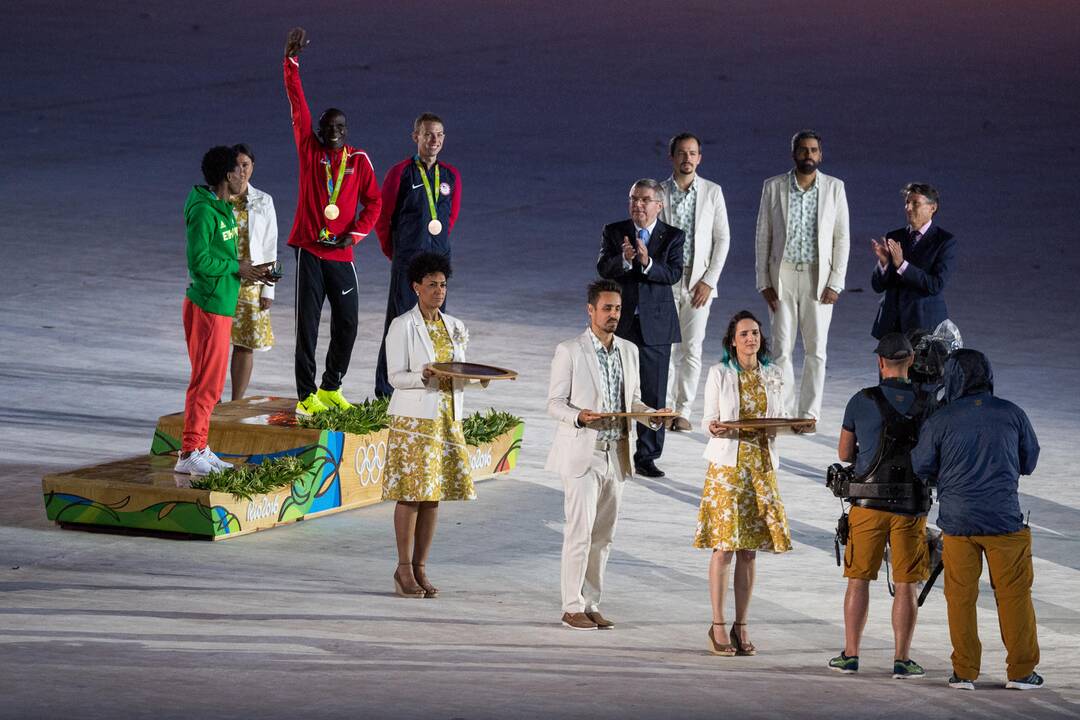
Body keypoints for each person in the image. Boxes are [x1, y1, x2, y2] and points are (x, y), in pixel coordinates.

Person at [912, 349, 1043, 691]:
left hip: (958, 523)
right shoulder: (1012, 413)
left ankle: (964, 672)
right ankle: (1021, 672)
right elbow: (1029, 462)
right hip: (1004, 521)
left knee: (960, 598)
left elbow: (922, 465)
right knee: (1014, 596)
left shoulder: (941, 419)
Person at [546, 279, 667, 630]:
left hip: (617, 456)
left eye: (617, 308)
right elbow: (554, 404)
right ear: (590, 310)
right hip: (583, 455)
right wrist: (579, 417)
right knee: (579, 533)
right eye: (607, 308)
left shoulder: (629, 351)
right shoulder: (570, 350)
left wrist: (652, 417)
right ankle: (571, 606)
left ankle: (591, 602)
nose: (613, 314)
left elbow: (633, 402)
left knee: (603, 537)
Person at [283, 27, 382, 415]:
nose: (334, 133)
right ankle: (306, 396)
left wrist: (354, 234)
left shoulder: (359, 162)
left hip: (341, 256)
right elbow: (297, 104)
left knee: (348, 324)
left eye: (340, 128)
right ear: (319, 131)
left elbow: (373, 203)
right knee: (306, 328)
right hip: (310, 251)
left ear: (348, 131)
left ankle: (330, 387)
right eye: (328, 128)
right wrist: (291, 62)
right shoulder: (309, 150)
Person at [696, 310, 802, 656]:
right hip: (729, 468)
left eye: (754, 333)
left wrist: (795, 425)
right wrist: (712, 427)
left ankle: (742, 624)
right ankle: (717, 624)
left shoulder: (773, 374)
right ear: (732, 341)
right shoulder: (720, 373)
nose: (750, 339)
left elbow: (778, 418)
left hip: (760, 467)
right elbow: (708, 419)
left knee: (749, 549)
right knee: (724, 547)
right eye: (743, 334)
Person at [828, 333, 930, 679]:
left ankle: (851, 654)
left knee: (858, 579)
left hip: (867, 504)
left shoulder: (860, 400)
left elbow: (844, 454)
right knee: (906, 584)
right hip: (909, 507)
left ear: (880, 362)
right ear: (911, 362)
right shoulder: (927, 402)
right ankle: (902, 659)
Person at [382, 253, 483, 599]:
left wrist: (478, 380)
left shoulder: (455, 326)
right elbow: (394, 377)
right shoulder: (402, 326)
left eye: (442, 285)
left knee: (433, 495)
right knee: (412, 494)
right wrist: (422, 376)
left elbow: (459, 372)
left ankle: (421, 567)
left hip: (446, 419)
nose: (439, 291)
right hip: (414, 420)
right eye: (432, 285)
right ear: (416, 287)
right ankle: (403, 568)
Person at [177, 146, 270, 475]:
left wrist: (249, 271)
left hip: (222, 303)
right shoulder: (204, 211)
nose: (243, 174)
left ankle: (200, 446)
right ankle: (189, 452)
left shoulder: (222, 206)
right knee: (205, 383)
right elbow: (198, 260)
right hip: (208, 306)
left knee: (214, 384)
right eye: (238, 170)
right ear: (227, 176)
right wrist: (236, 266)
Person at [754, 130, 850, 421]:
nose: (808, 155)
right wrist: (764, 282)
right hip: (782, 276)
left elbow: (841, 238)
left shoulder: (834, 188)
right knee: (781, 348)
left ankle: (808, 414)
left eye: (813, 150)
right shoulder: (774, 187)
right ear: (793, 153)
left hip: (817, 278)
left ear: (820, 155)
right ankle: (781, 410)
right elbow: (763, 235)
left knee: (816, 350)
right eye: (803, 150)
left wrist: (836, 282)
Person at [597, 179, 684, 477]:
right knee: (615, 388)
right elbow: (602, 269)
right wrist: (624, 259)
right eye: (634, 199)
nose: (638, 205)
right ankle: (611, 447)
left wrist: (647, 263)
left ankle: (647, 456)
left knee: (653, 393)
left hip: (656, 326)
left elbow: (673, 273)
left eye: (645, 200)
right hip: (620, 324)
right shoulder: (614, 231)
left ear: (658, 205)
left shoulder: (673, 236)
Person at [374, 113, 461, 399]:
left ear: (444, 139)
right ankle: (386, 393)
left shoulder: (450, 176)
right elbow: (383, 217)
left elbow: (450, 217)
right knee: (399, 325)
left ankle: (431, 388)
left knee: (436, 324)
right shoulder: (400, 173)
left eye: (438, 135)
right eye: (427, 134)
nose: (433, 140)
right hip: (408, 263)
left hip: (437, 263)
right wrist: (396, 253)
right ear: (416, 137)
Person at [659, 133, 731, 432]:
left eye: (692, 153)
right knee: (664, 346)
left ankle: (683, 409)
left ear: (700, 158)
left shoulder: (712, 192)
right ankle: (661, 408)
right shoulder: (658, 192)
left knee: (691, 348)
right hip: (666, 280)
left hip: (697, 282)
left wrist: (709, 281)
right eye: (681, 153)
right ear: (672, 157)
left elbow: (722, 238)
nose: (687, 158)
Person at [870, 183, 956, 339]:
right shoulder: (894, 236)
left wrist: (902, 265)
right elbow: (878, 287)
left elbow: (935, 285)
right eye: (907, 203)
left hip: (924, 325)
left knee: (921, 364)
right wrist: (884, 264)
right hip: (892, 324)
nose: (908, 208)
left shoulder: (944, 241)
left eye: (915, 203)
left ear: (933, 208)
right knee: (888, 365)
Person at [228, 143, 279, 400]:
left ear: (253, 167)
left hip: (251, 283)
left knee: (244, 345)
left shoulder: (263, 200)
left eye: (245, 165)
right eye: (236, 166)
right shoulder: (219, 199)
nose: (241, 171)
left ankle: (236, 402)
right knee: (214, 346)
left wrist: (269, 288)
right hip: (224, 279)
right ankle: (211, 400)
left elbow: (271, 246)